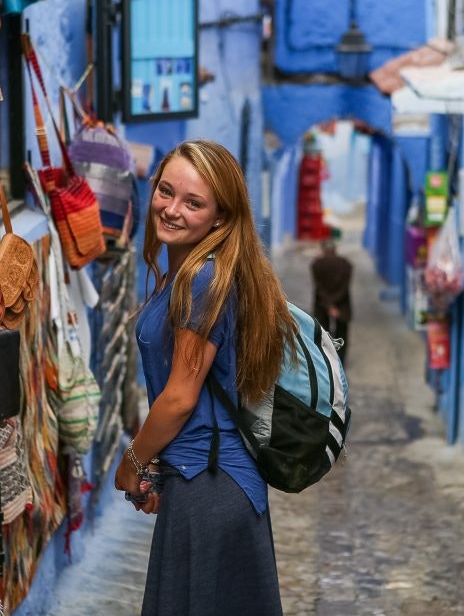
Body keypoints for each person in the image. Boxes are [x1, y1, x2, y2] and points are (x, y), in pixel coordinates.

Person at [114, 140, 296, 615]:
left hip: (211, 488)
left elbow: (179, 398)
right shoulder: (191, 273)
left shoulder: (202, 280)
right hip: (206, 483)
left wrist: (133, 461)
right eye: (165, 191)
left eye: (193, 202)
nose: (171, 210)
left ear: (219, 217)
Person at [311, 238, 353, 365]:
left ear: (323, 250)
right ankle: (340, 360)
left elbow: (319, 287)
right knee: (342, 333)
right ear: (335, 250)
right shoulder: (346, 265)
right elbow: (345, 287)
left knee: (323, 333)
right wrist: (335, 305)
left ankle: (325, 361)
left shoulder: (316, 265)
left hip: (322, 304)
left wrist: (329, 305)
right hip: (342, 304)